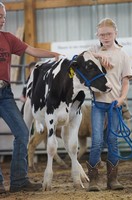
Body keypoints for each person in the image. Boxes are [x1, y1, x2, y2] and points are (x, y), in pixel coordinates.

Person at [0, 2, 61, 194]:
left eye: (3, 17)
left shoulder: (8, 38)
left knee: (22, 132)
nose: (1, 20)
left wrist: (53, 54)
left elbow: (32, 50)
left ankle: (18, 180)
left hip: (5, 94)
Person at [86, 18, 132, 191]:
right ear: (97, 35)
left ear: (115, 33)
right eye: (102, 34)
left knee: (113, 140)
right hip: (98, 104)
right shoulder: (93, 51)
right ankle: (93, 180)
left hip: (115, 104)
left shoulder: (123, 55)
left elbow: (125, 81)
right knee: (97, 141)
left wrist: (121, 99)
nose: (105, 37)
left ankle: (113, 180)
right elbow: (80, 58)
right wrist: (99, 55)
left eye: (109, 34)